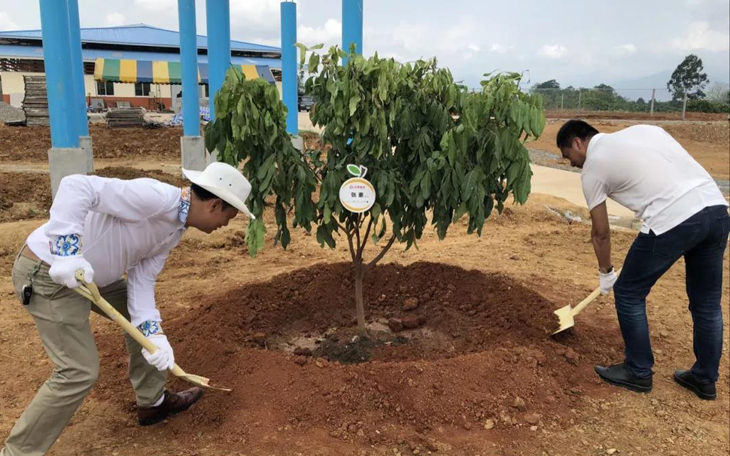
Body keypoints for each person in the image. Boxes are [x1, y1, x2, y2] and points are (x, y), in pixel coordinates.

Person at [2, 162, 255, 455]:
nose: (226, 225)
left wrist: (153, 335)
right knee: (78, 371)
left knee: (143, 326)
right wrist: (67, 252)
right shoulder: (155, 198)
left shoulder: (174, 230)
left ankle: (152, 402)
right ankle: (18, 452)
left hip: (92, 277)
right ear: (214, 205)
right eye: (229, 216)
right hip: (50, 274)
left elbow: (142, 281)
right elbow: (76, 185)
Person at [557, 119, 729, 400]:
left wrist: (606, 273)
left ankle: (638, 372)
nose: (572, 164)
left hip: (673, 219)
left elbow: (600, 233)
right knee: (707, 304)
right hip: (716, 210)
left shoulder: (593, 168)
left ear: (578, 142)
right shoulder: (645, 130)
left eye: (568, 156)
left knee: (628, 292)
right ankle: (704, 378)